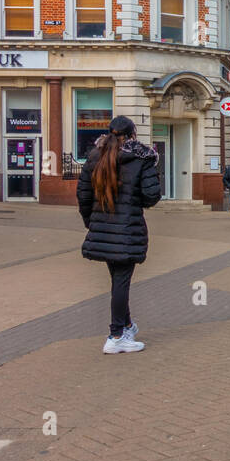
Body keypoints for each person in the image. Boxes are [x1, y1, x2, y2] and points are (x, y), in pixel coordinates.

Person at [77, 116, 161, 354]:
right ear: (132, 134)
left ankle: (126, 326)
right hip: (127, 230)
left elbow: (83, 195)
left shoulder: (95, 156)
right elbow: (151, 197)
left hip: (102, 229)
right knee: (121, 282)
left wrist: (91, 223)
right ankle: (116, 336)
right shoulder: (141, 158)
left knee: (117, 280)